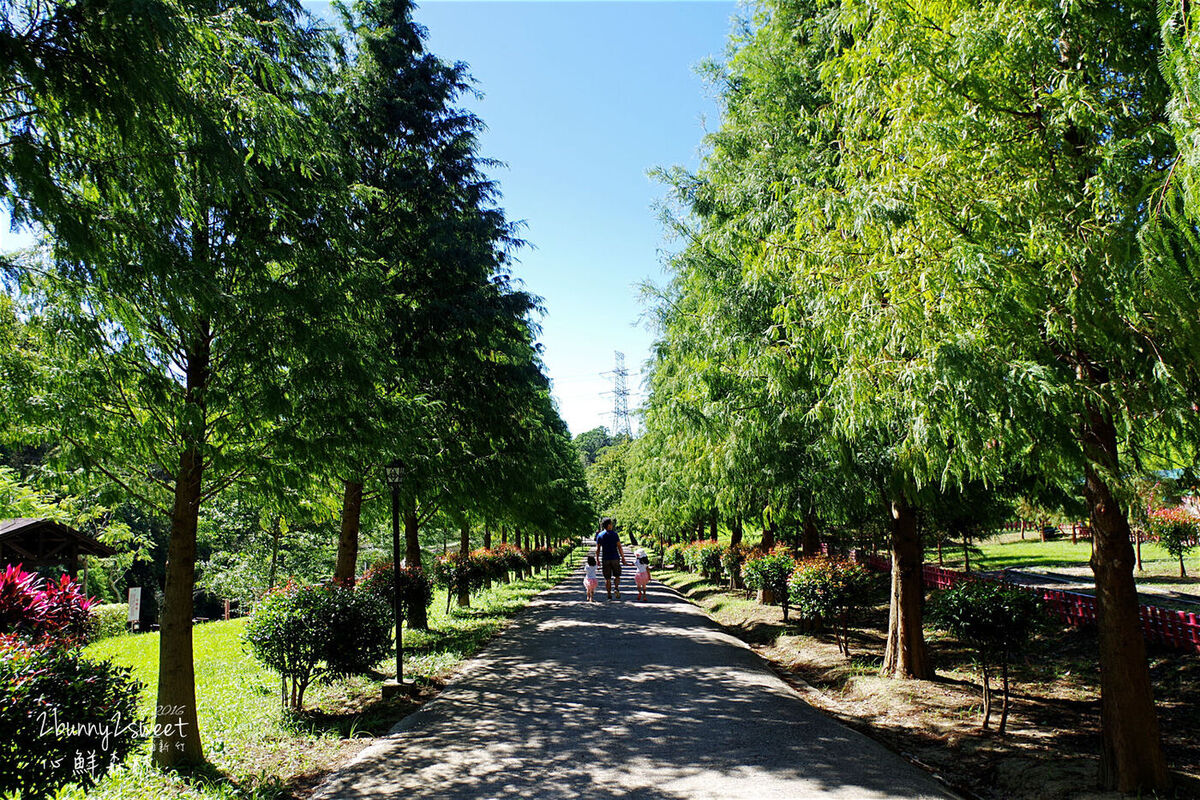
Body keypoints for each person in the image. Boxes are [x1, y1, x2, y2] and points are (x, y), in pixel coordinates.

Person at [593, 517, 628, 599]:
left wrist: (597, 559)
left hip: (605, 559)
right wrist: (623, 558)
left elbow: (597, 549)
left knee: (607, 578)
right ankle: (616, 588)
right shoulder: (614, 534)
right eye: (611, 524)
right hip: (615, 558)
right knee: (617, 575)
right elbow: (619, 547)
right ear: (608, 525)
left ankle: (609, 594)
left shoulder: (600, 535)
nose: (612, 525)